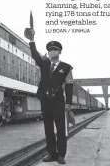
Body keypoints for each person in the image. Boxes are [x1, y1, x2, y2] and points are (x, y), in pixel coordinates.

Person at [26, 28, 73, 165]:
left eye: (55, 50)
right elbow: (35, 55)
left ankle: (61, 155)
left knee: (60, 129)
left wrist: (69, 103)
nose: (52, 52)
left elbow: (69, 85)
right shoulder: (44, 63)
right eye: (50, 50)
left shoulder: (67, 67)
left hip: (59, 101)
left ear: (60, 52)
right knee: (48, 129)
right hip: (45, 100)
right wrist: (32, 41)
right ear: (48, 52)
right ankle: (51, 154)